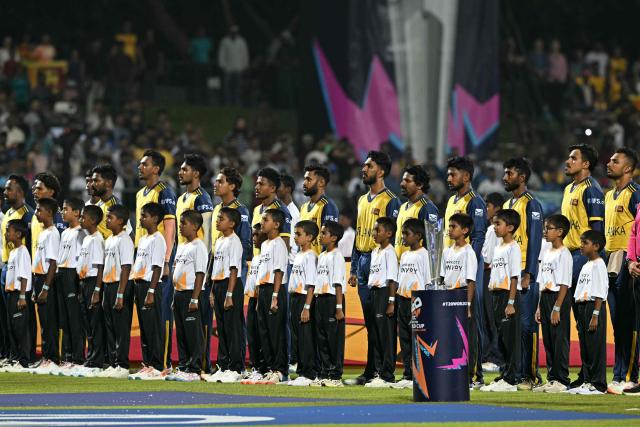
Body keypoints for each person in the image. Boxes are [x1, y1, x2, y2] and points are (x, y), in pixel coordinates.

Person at [348, 151, 400, 386]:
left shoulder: (391, 200)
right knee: (370, 321)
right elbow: (359, 233)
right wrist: (354, 267)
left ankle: (385, 371)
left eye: (368, 166)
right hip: (362, 262)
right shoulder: (361, 200)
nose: (364, 169)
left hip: (380, 261)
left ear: (380, 171)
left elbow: (394, 238)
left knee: (383, 320)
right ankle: (371, 370)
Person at [560, 144, 604, 389]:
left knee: (590, 318)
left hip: (585, 258)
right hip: (571, 256)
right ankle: (586, 375)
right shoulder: (569, 189)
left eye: (573, 158)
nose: (568, 161)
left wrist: (593, 261)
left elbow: (597, 229)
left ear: (585, 164)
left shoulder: (592, 189)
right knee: (579, 319)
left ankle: (596, 380)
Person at [444, 156, 487, 385]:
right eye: (449, 174)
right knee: (454, 323)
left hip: (469, 268)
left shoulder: (475, 202)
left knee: (471, 321)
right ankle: (457, 368)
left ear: (467, 176)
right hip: (451, 267)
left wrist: (468, 260)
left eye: (454, 174)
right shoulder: (451, 200)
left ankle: (476, 374)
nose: (449, 178)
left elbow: (478, 235)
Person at [502, 158, 544, 390]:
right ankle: (515, 373)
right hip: (510, 275)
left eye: (509, 173)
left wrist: (529, 272)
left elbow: (535, 240)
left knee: (527, 326)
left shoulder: (531, 204)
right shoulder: (509, 205)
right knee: (513, 326)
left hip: (525, 274)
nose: (504, 177)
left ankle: (532, 376)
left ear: (522, 177)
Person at [136, 150, 177, 372]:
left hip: (158, 260)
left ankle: (163, 363)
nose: (139, 167)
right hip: (143, 257)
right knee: (145, 316)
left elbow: (169, 226)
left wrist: (167, 260)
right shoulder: (140, 193)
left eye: (144, 164)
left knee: (159, 314)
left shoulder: (165, 192)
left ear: (156, 169)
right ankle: (148, 362)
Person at [603, 148, 640, 394]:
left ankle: (630, 374)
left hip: (628, 259)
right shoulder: (608, 195)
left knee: (628, 319)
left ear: (627, 168)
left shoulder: (635, 194)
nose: (609, 163)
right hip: (609, 257)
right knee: (617, 322)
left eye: (615, 161)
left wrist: (633, 258)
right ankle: (618, 375)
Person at [176, 154, 213, 372]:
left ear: (196, 173)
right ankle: (185, 365)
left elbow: (206, 238)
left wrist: (205, 275)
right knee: (183, 324)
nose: (180, 172)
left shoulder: (202, 199)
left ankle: (201, 365)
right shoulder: (182, 199)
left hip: (197, 266)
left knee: (197, 322)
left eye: (185, 169)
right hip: (182, 260)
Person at [480, 209, 521, 393]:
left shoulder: (514, 247)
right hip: (495, 294)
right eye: (494, 224)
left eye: (498, 224)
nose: (494, 227)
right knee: (500, 337)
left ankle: (512, 379)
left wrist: (511, 302)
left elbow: (514, 277)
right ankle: (504, 374)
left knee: (509, 338)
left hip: (507, 295)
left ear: (510, 227)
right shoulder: (497, 247)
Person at [533, 214, 573, 394]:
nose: (545, 231)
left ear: (560, 232)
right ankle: (551, 378)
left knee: (560, 339)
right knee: (548, 339)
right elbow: (543, 281)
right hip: (546, 297)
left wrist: (557, 307)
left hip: (559, 297)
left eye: (548, 228)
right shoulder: (547, 252)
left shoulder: (564, 254)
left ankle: (562, 379)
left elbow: (564, 283)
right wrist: (540, 306)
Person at [166, 210, 207, 382]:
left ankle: (194, 369)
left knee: (193, 333)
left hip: (192, 293)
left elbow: (200, 273)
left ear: (195, 226)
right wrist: (175, 296)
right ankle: (183, 366)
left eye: (184, 223)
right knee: (181, 333)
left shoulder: (199, 246)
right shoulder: (182, 246)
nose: (180, 227)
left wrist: (195, 298)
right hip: (180, 293)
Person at [129, 202, 166, 380]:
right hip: (139, 284)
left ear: (155, 219)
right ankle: (148, 363)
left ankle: (157, 366)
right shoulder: (143, 239)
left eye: (144, 216)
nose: (141, 219)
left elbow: (157, 267)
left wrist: (151, 291)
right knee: (144, 327)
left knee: (153, 327)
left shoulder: (158, 239)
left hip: (151, 286)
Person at [97, 204, 134, 379]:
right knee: (110, 327)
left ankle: (122, 364)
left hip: (120, 286)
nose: (106, 220)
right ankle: (113, 363)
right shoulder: (109, 239)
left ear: (120, 221)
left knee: (121, 328)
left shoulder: (124, 239)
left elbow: (126, 267)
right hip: (108, 285)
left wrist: (120, 294)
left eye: (110, 217)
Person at [392, 218, 431, 389]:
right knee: (405, 338)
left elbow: (427, 280)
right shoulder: (405, 255)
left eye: (406, 234)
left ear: (418, 235)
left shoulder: (424, 254)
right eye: (402, 234)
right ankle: (407, 373)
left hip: (417, 301)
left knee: (417, 338)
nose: (403, 238)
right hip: (402, 298)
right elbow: (401, 278)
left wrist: (426, 302)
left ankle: (419, 373)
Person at [441, 213, 479, 388]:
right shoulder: (447, 251)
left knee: (466, 337)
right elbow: (443, 277)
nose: (449, 229)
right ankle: (454, 372)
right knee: (450, 337)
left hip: (463, 295)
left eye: (453, 226)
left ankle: (472, 376)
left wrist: (468, 305)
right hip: (448, 295)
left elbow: (471, 280)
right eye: (449, 226)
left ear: (465, 230)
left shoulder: (468, 252)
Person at [208, 207, 245, 383]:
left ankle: (235, 367)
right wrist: (213, 291)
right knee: (222, 328)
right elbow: (216, 268)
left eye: (221, 218)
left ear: (232, 223)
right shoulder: (220, 241)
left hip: (231, 286)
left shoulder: (234, 242)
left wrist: (229, 294)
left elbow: (233, 269)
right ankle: (223, 365)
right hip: (219, 284)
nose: (217, 220)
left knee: (233, 328)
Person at [252, 209, 289, 384]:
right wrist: (260, 298)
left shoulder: (279, 244)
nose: (262, 223)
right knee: (264, 331)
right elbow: (262, 272)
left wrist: (275, 296)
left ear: (276, 224)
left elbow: (279, 271)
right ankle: (270, 368)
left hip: (275, 290)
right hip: (264, 290)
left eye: (265, 220)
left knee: (276, 332)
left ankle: (281, 370)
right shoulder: (265, 245)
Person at [569, 230, 608, 395]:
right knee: (585, 347)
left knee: (595, 347)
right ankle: (587, 380)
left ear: (596, 246)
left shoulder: (599, 264)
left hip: (594, 307)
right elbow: (580, 291)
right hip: (583, 307)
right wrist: (579, 315)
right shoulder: (585, 265)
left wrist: (595, 314)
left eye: (585, 243)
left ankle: (598, 384)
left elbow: (600, 290)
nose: (581, 246)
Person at [0, 176, 34, 363]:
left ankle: (25, 357)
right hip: (7, 268)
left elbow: (27, 249)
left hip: (21, 273)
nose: (5, 193)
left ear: (20, 192)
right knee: (8, 319)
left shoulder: (27, 214)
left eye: (8, 189)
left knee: (22, 319)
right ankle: (10, 354)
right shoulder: (8, 213)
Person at [363, 217, 398, 388]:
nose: (374, 233)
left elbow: (392, 279)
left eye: (378, 230)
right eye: (374, 230)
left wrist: (391, 301)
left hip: (384, 293)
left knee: (386, 336)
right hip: (373, 293)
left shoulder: (389, 252)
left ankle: (387, 374)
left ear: (389, 234)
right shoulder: (375, 251)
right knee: (375, 335)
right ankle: (377, 372)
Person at [72, 205, 105, 378]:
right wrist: (79, 288)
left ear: (92, 220)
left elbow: (100, 266)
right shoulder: (86, 239)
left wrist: (97, 290)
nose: (81, 219)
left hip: (93, 283)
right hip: (84, 282)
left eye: (83, 217)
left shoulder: (97, 239)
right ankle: (90, 358)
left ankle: (96, 361)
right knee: (87, 323)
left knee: (95, 323)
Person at [56, 198, 87, 373]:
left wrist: (78, 281)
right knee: (65, 319)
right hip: (62, 273)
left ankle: (78, 358)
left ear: (77, 212)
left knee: (75, 320)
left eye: (65, 209)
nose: (62, 212)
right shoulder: (65, 232)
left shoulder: (81, 232)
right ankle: (67, 357)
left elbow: (82, 258)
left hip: (73, 274)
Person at [286, 220, 319, 386]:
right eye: (295, 234)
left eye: (299, 234)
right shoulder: (298, 255)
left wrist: (307, 307)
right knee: (297, 336)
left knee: (306, 336)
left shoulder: (311, 257)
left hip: (304, 298)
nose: (295, 237)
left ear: (310, 237)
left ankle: (309, 373)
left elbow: (311, 284)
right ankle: (301, 370)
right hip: (294, 297)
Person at [31, 197, 61, 374]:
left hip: (46, 280)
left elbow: (53, 262)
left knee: (49, 321)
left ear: (49, 213)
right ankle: (46, 357)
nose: (36, 213)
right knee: (43, 321)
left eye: (39, 210)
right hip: (39, 278)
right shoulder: (43, 233)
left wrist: (45, 288)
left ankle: (52, 358)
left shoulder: (52, 234)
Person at [314, 220, 346, 387]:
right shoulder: (322, 255)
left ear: (333, 237)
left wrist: (339, 307)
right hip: (321, 299)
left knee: (334, 339)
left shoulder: (337, 256)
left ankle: (335, 375)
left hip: (333, 299)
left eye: (323, 233)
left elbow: (338, 283)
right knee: (322, 337)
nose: (320, 236)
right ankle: (325, 372)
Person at [210, 166, 252, 274]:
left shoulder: (240, 210)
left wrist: (236, 273)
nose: (215, 185)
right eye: (216, 181)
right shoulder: (216, 209)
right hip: (216, 267)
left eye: (220, 182)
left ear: (232, 186)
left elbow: (244, 243)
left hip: (231, 270)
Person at [3, 219, 32, 371]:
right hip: (10, 294)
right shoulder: (13, 251)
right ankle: (14, 359)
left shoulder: (23, 251)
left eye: (9, 230)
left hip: (18, 295)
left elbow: (24, 275)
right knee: (11, 327)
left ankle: (23, 361)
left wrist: (22, 296)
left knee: (21, 328)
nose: (6, 233)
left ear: (18, 234)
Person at [481, 192, 504, 372]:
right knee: (488, 317)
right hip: (489, 273)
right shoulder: (491, 229)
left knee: (494, 318)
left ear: (497, 208)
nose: (485, 209)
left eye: (487, 206)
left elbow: (488, 255)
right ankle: (490, 355)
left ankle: (496, 358)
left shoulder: (494, 230)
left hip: (493, 271)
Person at [395, 165, 439, 258]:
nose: (402, 184)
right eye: (403, 180)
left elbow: (432, 244)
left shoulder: (427, 208)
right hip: (400, 266)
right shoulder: (402, 207)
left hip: (415, 267)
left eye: (407, 181)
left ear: (420, 185)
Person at [242, 224, 267, 384]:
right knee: (251, 335)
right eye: (253, 235)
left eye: (257, 235)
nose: (253, 238)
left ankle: (264, 368)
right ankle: (255, 367)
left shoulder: (266, 256)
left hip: (260, 299)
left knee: (261, 335)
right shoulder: (256, 258)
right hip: (252, 299)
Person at [299, 165, 339, 255]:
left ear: (321, 182)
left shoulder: (328, 206)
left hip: (318, 264)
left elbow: (330, 241)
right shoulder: (303, 207)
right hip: (303, 262)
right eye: (304, 179)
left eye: (308, 179)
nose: (304, 183)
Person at [252, 167, 292, 255]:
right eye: (257, 183)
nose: (257, 187)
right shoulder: (257, 209)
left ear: (273, 188)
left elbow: (284, 246)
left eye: (261, 184)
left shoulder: (281, 210)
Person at [91, 165, 130, 239]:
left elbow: (128, 236)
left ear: (108, 183)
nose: (92, 184)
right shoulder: (98, 205)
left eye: (96, 180)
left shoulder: (116, 206)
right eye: (92, 181)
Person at [218, 25, 249, 105]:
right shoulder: (225, 41)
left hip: (239, 68)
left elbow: (245, 54)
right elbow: (221, 54)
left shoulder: (242, 41)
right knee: (227, 88)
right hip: (228, 68)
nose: (234, 34)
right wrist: (222, 65)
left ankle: (237, 103)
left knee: (238, 88)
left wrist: (245, 65)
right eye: (232, 32)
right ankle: (228, 103)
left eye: (235, 32)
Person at [278, 173, 300, 261]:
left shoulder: (293, 213)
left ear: (288, 189)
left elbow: (289, 245)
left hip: (288, 262)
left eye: (279, 186)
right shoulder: (281, 209)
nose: (276, 189)